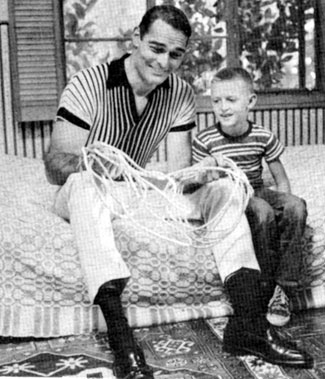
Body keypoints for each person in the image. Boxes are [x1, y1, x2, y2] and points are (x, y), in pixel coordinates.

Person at [44, 6, 313, 378]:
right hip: (84, 187)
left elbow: (178, 175)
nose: (163, 61)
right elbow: (55, 167)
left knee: (223, 189)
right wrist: (97, 164)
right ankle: (122, 339)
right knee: (85, 185)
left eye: (175, 54)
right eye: (155, 48)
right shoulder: (89, 83)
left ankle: (247, 327)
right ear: (135, 40)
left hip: (135, 190)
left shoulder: (181, 93)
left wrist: (205, 173)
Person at [192, 67, 308, 328]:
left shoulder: (263, 136)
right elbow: (199, 185)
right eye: (216, 100)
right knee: (262, 212)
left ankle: (284, 290)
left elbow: (281, 181)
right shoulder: (205, 140)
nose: (223, 107)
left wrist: (286, 214)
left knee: (296, 206)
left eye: (231, 100)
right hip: (232, 197)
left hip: (257, 189)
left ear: (251, 102)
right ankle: (264, 285)